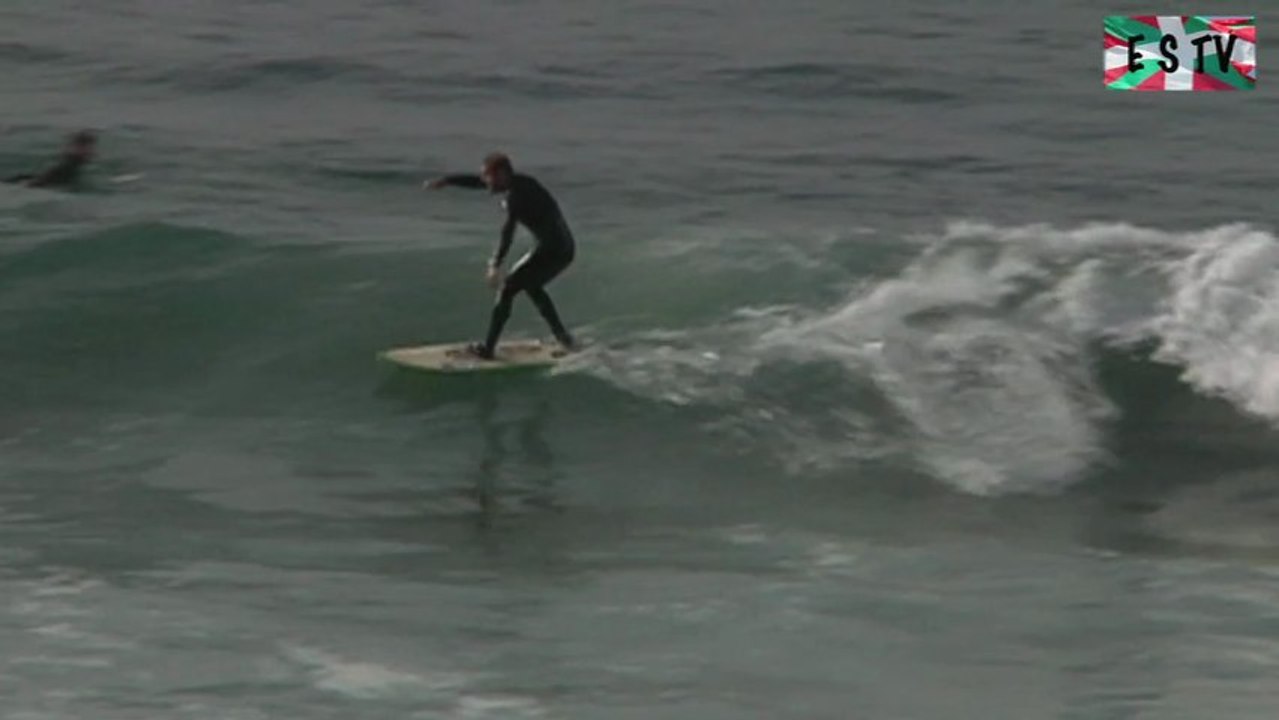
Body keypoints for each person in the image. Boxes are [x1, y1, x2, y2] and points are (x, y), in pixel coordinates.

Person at [426, 152, 577, 359]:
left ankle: (488, 350)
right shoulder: (516, 183)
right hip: (556, 247)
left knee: (508, 287)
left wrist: (495, 264)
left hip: (557, 251)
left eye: (490, 177)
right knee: (531, 286)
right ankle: (564, 339)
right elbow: (478, 182)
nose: (486, 183)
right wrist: (447, 181)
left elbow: (508, 232)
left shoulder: (518, 195)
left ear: (503, 175)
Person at [5, 130, 97, 189]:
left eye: (91, 147)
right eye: (86, 147)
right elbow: (37, 183)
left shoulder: (71, 166)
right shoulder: (67, 167)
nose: (91, 151)